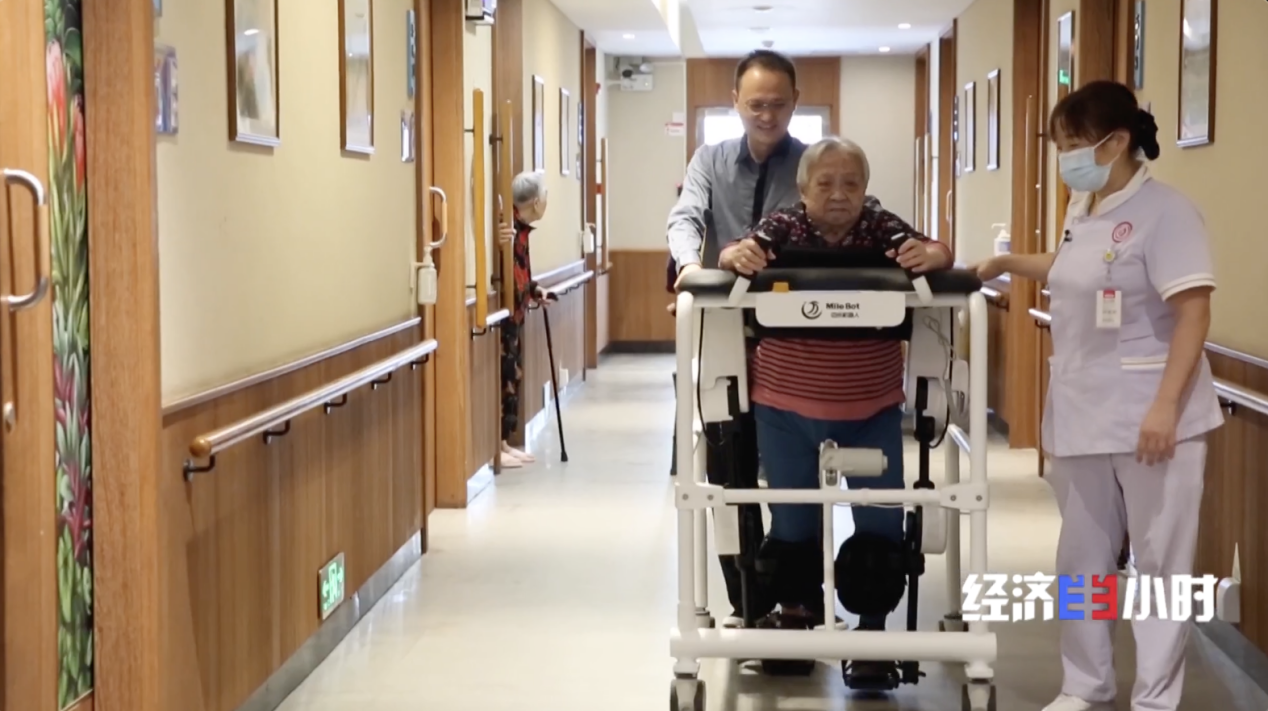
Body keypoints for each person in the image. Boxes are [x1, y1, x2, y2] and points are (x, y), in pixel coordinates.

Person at [971, 80, 1223, 711]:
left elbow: (1193, 312)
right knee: (1082, 560)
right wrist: (1006, 264)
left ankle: (1155, 698)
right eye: (1060, 145)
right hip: (1083, 411)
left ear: (1116, 142)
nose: (1066, 158)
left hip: (1154, 416)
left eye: (1073, 145)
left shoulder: (1168, 212)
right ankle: (1086, 684)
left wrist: (1165, 406)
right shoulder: (1084, 205)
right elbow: (1073, 267)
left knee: (1160, 565)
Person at [720, 136, 951, 678]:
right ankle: (796, 618)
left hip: (870, 406)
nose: (839, 194)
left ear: (866, 189)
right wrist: (734, 254)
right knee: (793, 523)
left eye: (851, 183)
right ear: (803, 189)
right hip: (784, 404)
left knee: (879, 526)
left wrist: (935, 255)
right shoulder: (784, 226)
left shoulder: (880, 227)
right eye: (825, 183)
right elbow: (736, 250)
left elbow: (936, 249)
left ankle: (871, 636)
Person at [664, 49, 809, 629]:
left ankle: (797, 602)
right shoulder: (710, 158)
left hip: (794, 338)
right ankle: (748, 605)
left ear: (795, 103)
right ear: (735, 103)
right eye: (755, 104)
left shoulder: (813, 163)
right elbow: (685, 218)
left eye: (778, 104)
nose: (766, 115)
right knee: (730, 472)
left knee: (793, 478)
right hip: (723, 331)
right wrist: (690, 266)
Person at [497, 171, 554, 469]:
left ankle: (504, 442)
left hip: (516, 313)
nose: (546, 201)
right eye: (545, 196)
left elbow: (521, 274)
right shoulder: (506, 229)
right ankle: (497, 446)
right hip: (504, 316)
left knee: (513, 378)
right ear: (535, 201)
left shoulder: (521, 231)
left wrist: (536, 290)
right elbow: (502, 271)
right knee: (504, 379)